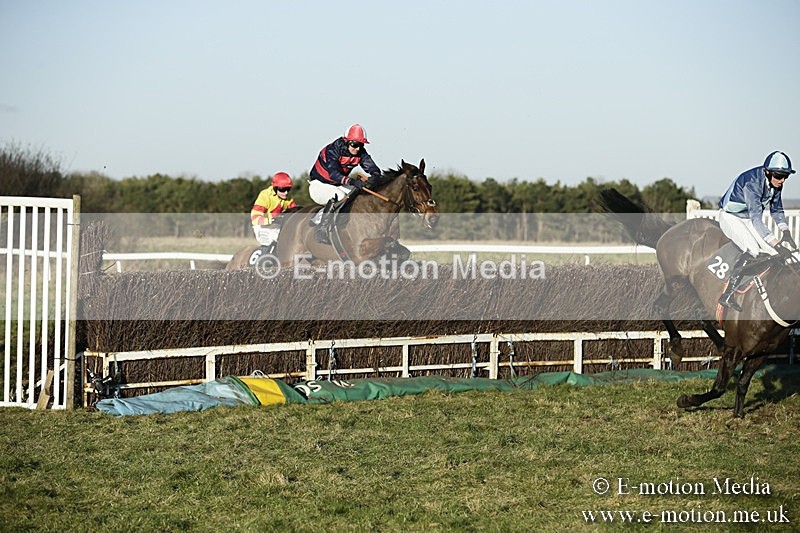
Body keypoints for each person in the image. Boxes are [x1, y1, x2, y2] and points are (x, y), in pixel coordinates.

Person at [717, 150, 797, 311]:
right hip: (730, 217)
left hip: (747, 219)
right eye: (779, 176)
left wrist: (786, 232)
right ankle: (727, 294)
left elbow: (777, 211)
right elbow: (757, 220)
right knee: (752, 249)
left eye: (785, 176)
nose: (782, 180)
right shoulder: (752, 184)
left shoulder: (775, 184)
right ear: (767, 172)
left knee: (773, 253)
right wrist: (777, 243)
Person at [308, 124, 382, 243]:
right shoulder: (332, 150)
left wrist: (375, 176)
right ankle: (321, 229)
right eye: (354, 145)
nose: (357, 149)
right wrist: (352, 181)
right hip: (319, 184)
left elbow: (371, 167)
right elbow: (333, 174)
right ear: (346, 141)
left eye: (361, 145)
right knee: (340, 195)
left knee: (359, 195)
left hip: (336, 185)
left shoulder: (360, 152)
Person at [250, 172, 297, 252]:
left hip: (276, 228)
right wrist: (272, 220)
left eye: (288, 189)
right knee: (278, 239)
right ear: (275, 188)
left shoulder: (288, 198)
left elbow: (296, 212)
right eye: (282, 189)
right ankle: (265, 262)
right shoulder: (265, 195)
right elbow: (255, 218)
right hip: (262, 228)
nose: (286, 193)